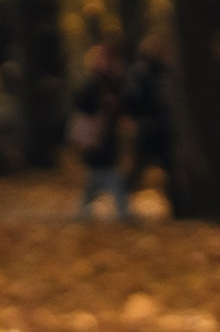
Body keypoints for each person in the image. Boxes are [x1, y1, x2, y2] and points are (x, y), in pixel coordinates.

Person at [69, 44, 129, 221]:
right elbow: (82, 105)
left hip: (106, 137)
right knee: (106, 174)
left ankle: (84, 212)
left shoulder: (114, 81)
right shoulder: (92, 83)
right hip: (97, 137)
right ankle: (121, 210)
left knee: (96, 176)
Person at [121, 37, 174, 208]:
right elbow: (132, 98)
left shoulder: (162, 70)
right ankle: (123, 203)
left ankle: (177, 203)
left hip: (161, 126)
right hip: (148, 125)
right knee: (139, 165)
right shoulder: (142, 70)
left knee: (168, 165)